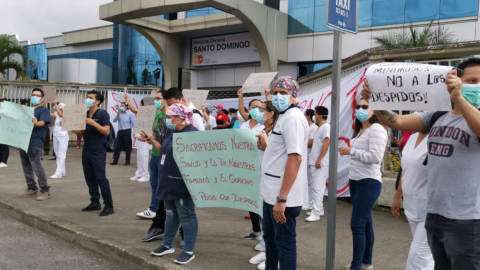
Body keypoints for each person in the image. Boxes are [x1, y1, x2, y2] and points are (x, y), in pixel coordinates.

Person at [362, 58, 480, 269]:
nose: (476, 85)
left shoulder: (476, 116)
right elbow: (397, 121)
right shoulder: (437, 114)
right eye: (471, 80)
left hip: (467, 218)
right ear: (456, 81)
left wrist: (460, 99)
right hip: (434, 213)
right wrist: (376, 101)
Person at [256, 76, 308, 270]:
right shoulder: (283, 116)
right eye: (275, 93)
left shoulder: (293, 119)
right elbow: (283, 153)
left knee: (284, 244)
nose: (278, 97)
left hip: (282, 197)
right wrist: (266, 148)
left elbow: (295, 158)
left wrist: (282, 198)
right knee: (270, 240)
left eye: (283, 93)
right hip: (271, 193)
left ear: (293, 96)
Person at [339, 99, 388, 270]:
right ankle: (366, 262)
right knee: (365, 222)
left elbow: (375, 157)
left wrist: (352, 151)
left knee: (357, 224)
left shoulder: (377, 129)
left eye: (365, 107)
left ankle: (356, 266)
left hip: (368, 182)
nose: (360, 109)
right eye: (358, 107)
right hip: (356, 180)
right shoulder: (361, 130)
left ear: (374, 110)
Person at [150, 103, 199, 265]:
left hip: (181, 183)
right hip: (167, 181)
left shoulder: (192, 134)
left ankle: (189, 250)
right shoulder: (173, 132)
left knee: (187, 215)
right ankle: (167, 244)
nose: (167, 120)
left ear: (179, 117)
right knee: (171, 214)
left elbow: (197, 162)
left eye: (170, 117)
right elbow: (165, 150)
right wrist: (152, 141)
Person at [391, 127, 434, 270]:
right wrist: (398, 196)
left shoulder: (437, 139)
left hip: (430, 209)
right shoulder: (413, 137)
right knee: (427, 256)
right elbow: (405, 169)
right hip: (411, 206)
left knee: (417, 259)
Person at [72, 90, 114, 217]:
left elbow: (106, 131)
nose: (88, 99)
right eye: (87, 97)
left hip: (98, 150)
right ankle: (95, 201)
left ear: (97, 101)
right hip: (87, 150)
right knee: (89, 177)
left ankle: (109, 205)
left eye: (90, 98)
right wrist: (70, 127)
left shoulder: (102, 114)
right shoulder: (85, 114)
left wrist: (94, 123)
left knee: (100, 178)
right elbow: (83, 133)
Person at [249, 97, 279, 270]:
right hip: (262, 177)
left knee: (275, 223)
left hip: (273, 180)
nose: (258, 113)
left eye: (261, 110)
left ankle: (275, 256)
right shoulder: (265, 129)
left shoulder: (277, 130)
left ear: (271, 113)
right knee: (266, 220)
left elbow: (278, 157)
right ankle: (267, 251)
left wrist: (266, 146)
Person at [136, 90, 169, 221]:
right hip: (155, 154)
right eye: (155, 98)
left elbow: (166, 138)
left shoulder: (170, 116)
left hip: (163, 154)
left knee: (161, 185)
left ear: (166, 100)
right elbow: (157, 135)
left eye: (159, 98)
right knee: (154, 184)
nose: (156, 101)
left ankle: (157, 210)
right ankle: (154, 209)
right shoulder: (158, 115)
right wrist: (148, 137)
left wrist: (152, 139)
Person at [238, 90, 266, 242]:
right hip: (245, 166)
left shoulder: (265, 126)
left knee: (260, 199)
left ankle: (264, 236)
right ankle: (256, 231)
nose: (257, 110)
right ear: (248, 109)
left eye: (260, 108)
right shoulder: (244, 124)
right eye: (253, 107)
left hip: (260, 166)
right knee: (250, 198)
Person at [17, 88, 52, 201]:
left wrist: (35, 122)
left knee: (36, 166)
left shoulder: (44, 110)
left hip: (34, 141)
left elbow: (42, 123)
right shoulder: (27, 110)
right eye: (33, 95)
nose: (34, 97)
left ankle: (45, 190)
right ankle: (32, 187)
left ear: (42, 98)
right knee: (26, 166)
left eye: (37, 95)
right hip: (23, 141)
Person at [306, 106, 330, 222]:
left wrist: (319, 159)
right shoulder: (319, 128)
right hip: (315, 162)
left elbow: (327, 142)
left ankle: (316, 213)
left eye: (315, 114)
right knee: (315, 187)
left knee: (318, 188)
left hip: (320, 163)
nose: (314, 116)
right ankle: (318, 209)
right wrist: (312, 160)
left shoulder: (326, 127)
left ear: (320, 116)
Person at [130, 99, 150, 183]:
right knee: (139, 155)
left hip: (145, 136)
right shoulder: (142, 113)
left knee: (144, 155)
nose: (140, 106)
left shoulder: (148, 112)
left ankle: (145, 174)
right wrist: (135, 132)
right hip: (139, 135)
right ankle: (139, 173)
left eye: (141, 104)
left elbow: (133, 110)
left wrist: (127, 100)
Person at [303, 109, 317, 211]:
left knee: (310, 181)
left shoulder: (314, 128)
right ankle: (307, 201)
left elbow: (311, 143)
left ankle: (310, 202)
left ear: (308, 116)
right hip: (304, 158)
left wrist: (299, 140)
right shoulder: (306, 127)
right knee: (306, 181)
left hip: (309, 158)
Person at [50, 99, 68, 179]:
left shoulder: (63, 114)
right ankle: (62, 171)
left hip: (62, 135)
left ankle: (58, 173)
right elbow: (49, 114)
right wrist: (44, 103)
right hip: (56, 135)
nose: (55, 107)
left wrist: (56, 105)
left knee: (61, 154)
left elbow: (61, 114)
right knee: (57, 154)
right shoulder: (57, 114)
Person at [0, 97, 9, 168]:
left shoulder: (8, 110)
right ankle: (0, 161)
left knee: (4, 145)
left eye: (3, 101)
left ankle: (4, 161)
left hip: (6, 129)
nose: (1, 102)